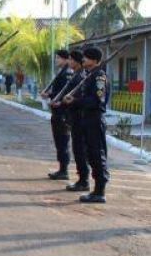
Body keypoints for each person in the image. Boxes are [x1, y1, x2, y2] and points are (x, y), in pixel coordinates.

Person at [64, 46, 109, 203]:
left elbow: (97, 101)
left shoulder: (99, 78)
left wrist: (76, 101)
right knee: (89, 153)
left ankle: (99, 191)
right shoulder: (89, 75)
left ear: (95, 60)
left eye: (87, 57)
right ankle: (92, 187)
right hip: (85, 119)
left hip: (94, 120)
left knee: (97, 154)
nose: (83, 59)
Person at [55, 51, 90, 193]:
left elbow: (81, 99)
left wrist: (66, 103)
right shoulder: (76, 76)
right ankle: (81, 179)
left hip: (79, 117)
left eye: (70, 59)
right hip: (73, 117)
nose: (69, 61)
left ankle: (84, 180)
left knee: (81, 150)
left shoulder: (81, 77)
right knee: (77, 150)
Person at [41, 49, 73, 180]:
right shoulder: (62, 72)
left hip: (63, 113)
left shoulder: (67, 74)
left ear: (66, 59)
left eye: (58, 58)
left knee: (62, 141)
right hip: (57, 112)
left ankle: (64, 170)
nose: (56, 60)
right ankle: (62, 168)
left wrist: (49, 95)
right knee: (59, 141)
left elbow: (66, 93)